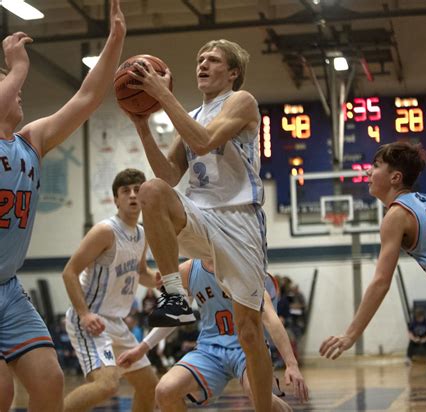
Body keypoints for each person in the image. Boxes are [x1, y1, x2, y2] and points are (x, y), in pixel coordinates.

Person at [125, 39, 272, 410]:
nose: (202, 64)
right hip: (201, 214)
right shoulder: (189, 113)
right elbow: (169, 174)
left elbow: (204, 141)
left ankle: (267, 405)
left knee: (250, 333)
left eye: (213, 60)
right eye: (199, 58)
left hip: (240, 221)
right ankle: (174, 295)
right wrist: (143, 126)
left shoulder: (242, 101)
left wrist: (160, 94)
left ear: (233, 72)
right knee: (153, 190)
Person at [0, 2, 125, 410]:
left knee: (50, 381)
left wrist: (115, 40)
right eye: (12, 88)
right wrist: (17, 68)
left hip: (8, 289)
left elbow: (88, 97)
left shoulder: (30, 141)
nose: (20, 92)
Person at [319, 141, 426, 403]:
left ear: (395, 177)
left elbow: (381, 282)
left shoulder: (396, 216)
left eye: (375, 166)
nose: (368, 172)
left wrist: (350, 334)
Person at [117, 259, 309, 411]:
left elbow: (271, 319)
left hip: (249, 347)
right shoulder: (188, 270)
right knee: (165, 390)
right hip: (209, 349)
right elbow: (175, 314)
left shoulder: (244, 266)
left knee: (260, 397)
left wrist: (291, 364)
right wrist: (142, 348)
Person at [62, 169, 158, 412]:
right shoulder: (105, 231)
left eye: (138, 189)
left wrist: (164, 278)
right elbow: (69, 272)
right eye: (126, 191)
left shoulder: (142, 234)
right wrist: (84, 314)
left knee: (149, 386)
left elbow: (141, 274)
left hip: (116, 323)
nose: (133, 195)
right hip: (91, 320)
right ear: (116, 199)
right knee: (106, 385)